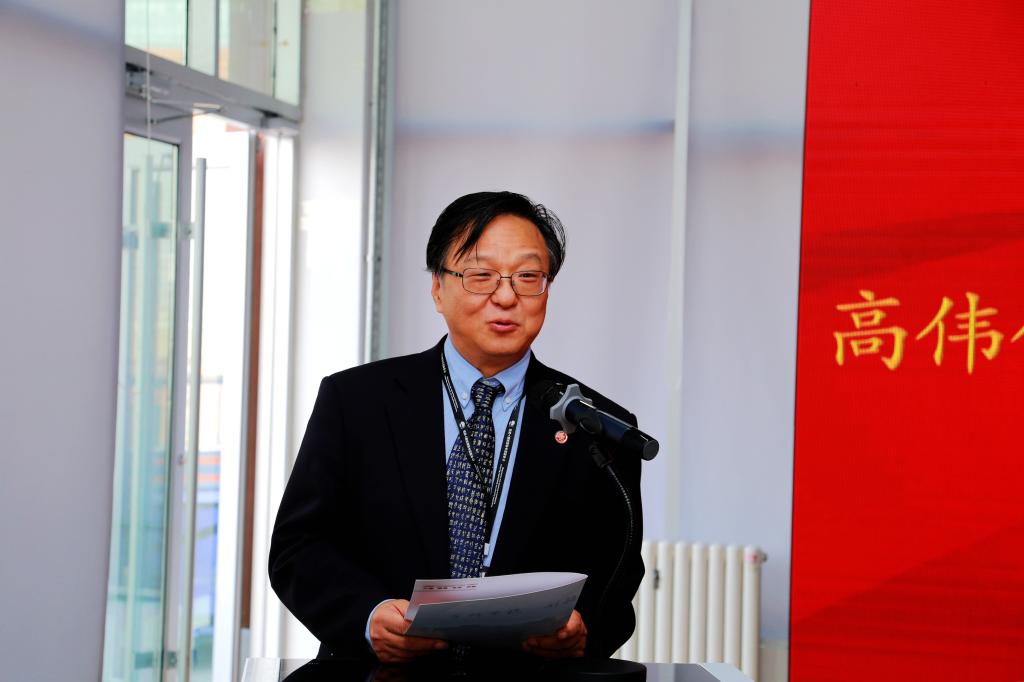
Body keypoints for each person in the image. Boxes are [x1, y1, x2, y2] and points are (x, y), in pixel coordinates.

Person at [269, 191, 643, 665]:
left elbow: (619, 575)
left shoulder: (597, 426)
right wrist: (368, 616)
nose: (505, 296)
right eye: (480, 275)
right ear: (437, 288)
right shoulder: (356, 402)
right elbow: (298, 548)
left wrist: (582, 631)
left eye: (528, 277)